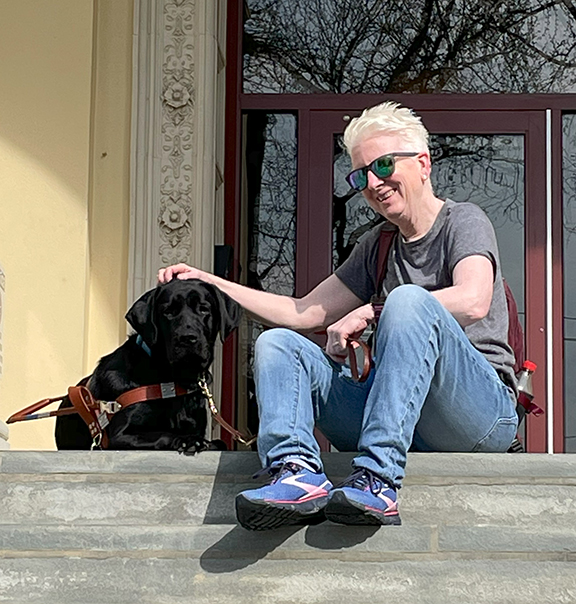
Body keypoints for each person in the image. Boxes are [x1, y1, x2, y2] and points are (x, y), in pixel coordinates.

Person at [158, 101, 518, 530]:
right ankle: (295, 471)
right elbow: (301, 311)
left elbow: (473, 299)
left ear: (423, 163)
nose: (372, 182)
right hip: (402, 414)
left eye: (383, 165)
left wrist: (374, 310)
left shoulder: (463, 221)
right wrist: (212, 283)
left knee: (407, 301)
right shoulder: (377, 245)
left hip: (474, 416)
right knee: (278, 343)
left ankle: (378, 478)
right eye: (360, 174)